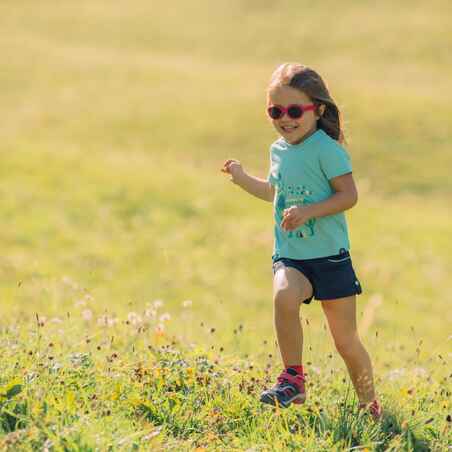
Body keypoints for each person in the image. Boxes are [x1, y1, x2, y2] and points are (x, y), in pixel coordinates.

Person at [221, 63, 381, 419]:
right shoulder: (278, 150)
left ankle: (370, 405)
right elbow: (273, 193)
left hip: (330, 258)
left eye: (294, 111)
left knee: (346, 342)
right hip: (292, 255)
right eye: (275, 111)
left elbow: (348, 196)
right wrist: (242, 177)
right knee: (283, 295)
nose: (285, 119)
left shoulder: (327, 150)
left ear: (318, 110)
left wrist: (309, 212)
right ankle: (293, 378)